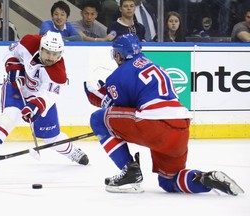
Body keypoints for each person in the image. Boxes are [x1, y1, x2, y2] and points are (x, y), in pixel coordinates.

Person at [83, 33, 244, 195]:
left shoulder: (118, 75)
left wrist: (99, 97)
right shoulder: (153, 64)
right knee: (168, 180)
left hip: (153, 124)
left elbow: (118, 109)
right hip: (181, 127)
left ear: (118, 54)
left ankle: (129, 170)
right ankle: (204, 179)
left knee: (97, 119)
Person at [0, 31, 89, 172]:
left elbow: (47, 96)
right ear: (41, 48)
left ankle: (72, 152)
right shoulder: (29, 42)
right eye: (48, 52)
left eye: (55, 54)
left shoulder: (58, 74)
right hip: (17, 87)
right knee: (11, 115)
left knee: (51, 137)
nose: (51, 58)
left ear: (61, 54)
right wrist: (14, 67)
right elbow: (10, 53)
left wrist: (34, 107)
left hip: (38, 98)